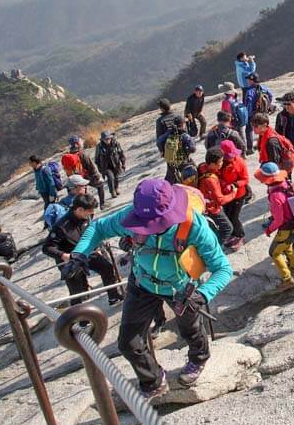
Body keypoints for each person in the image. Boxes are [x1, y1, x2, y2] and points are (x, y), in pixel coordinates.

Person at [67, 179, 233, 396]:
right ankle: (154, 380)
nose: (150, 228)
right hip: (142, 282)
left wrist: (203, 294)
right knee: (128, 342)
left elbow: (223, 268)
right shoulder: (134, 215)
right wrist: (80, 253)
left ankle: (198, 358)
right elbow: (98, 228)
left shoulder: (194, 226)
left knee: (190, 330)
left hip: (181, 289)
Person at [43, 194, 122, 306]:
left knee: (107, 268)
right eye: (89, 211)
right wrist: (63, 256)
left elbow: (91, 233)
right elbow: (47, 248)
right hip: (70, 259)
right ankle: (82, 320)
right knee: (76, 290)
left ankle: (113, 297)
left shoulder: (87, 217)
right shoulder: (61, 226)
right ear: (79, 209)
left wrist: (96, 247)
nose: (91, 213)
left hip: (88, 252)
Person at [256, 162, 294, 291]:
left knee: (274, 252)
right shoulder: (287, 185)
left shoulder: (275, 196)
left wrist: (269, 229)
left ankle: (287, 279)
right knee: (287, 245)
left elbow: (278, 220)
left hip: (286, 229)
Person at [197, 147, 240, 251]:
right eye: (220, 162)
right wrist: (233, 194)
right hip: (212, 208)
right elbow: (220, 200)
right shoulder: (210, 180)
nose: (221, 164)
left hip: (203, 204)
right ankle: (216, 249)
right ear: (212, 164)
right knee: (227, 228)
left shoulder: (202, 167)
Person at [219, 140, 250, 245]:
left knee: (234, 217)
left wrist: (234, 185)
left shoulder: (240, 162)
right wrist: (222, 183)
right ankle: (232, 234)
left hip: (238, 195)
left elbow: (245, 179)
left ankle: (240, 235)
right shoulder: (219, 163)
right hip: (225, 194)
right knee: (227, 215)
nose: (231, 157)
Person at [67, 136, 106, 210]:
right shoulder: (82, 154)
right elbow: (91, 166)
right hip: (86, 176)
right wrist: (97, 176)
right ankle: (102, 204)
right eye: (80, 141)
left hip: (76, 179)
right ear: (77, 143)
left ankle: (84, 208)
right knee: (100, 186)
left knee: (82, 194)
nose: (82, 142)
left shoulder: (69, 155)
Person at [252, 112, 294, 177]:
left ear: (264, 125)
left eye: (256, 126)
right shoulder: (263, 135)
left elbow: (275, 162)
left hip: (279, 172)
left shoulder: (271, 142)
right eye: (252, 125)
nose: (253, 128)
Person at [157, 116, 197, 184]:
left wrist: (162, 151)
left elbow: (159, 141)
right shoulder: (184, 135)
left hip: (171, 161)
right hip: (184, 161)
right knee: (195, 173)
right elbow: (193, 149)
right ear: (183, 124)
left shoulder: (168, 133)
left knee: (170, 178)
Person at [243, 74, 274, 155]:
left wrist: (248, 115)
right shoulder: (264, 88)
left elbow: (248, 103)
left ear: (252, 80)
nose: (248, 81)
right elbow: (270, 95)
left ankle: (250, 148)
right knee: (263, 128)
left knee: (249, 129)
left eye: (249, 80)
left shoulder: (249, 91)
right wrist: (267, 106)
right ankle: (262, 144)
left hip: (253, 114)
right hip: (263, 112)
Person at [94, 131, 126, 199]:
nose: (107, 140)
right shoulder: (99, 147)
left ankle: (116, 188)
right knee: (111, 178)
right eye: (105, 139)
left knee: (116, 177)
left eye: (108, 138)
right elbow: (96, 159)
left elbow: (121, 153)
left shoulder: (116, 143)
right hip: (106, 166)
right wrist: (100, 168)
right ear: (102, 139)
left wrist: (123, 163)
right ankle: (112, 192)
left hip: (116, 164)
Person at [218, 82, 250, 150]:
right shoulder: (237, 97)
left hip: (232, 123)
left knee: (235, 138)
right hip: (241, 120)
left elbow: (225, 114)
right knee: (242, 136)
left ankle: (238, 152)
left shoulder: (225, 101)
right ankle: (245, 151)